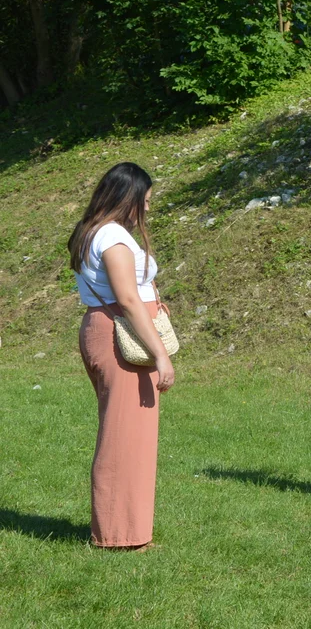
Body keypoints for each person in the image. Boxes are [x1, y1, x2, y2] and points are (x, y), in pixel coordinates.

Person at [68, 162, 175, 550]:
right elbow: (128, 299)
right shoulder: (112, 236)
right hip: (120, 337)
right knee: (124, 437)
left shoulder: (95, 231)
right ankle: (118, 535)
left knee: (130, 434)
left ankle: (126, 530)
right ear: (126, 198)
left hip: (109, 331)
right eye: (144, 201)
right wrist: (160, 354)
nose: (147, 209)